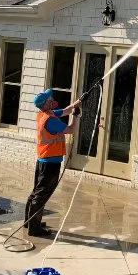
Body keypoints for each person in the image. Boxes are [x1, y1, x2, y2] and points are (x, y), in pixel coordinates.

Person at [24, 88, 81, 237]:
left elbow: (65, 111)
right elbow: (70, 129)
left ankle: (29, 221)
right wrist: (76, 116)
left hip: (43, 159)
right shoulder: (51, 120)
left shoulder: (43, 115)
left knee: (37, 191)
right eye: (50, 99)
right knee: (42, 193)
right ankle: (34, 228)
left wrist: (78, 103)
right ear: (46, 103)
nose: (52, 99)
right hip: (50, 162)